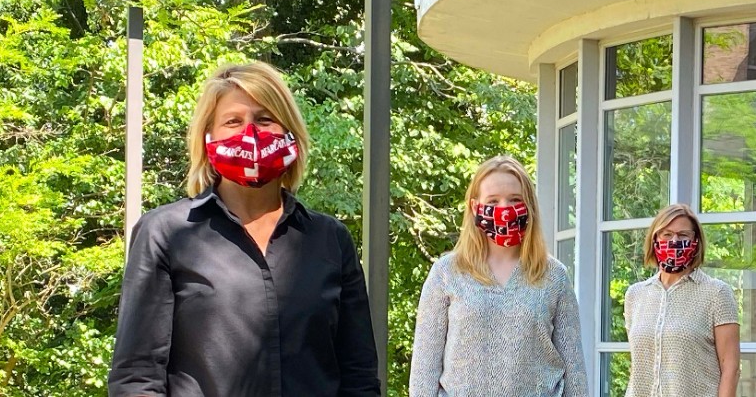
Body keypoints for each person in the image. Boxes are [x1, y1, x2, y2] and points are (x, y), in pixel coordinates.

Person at [108, 62, 380, 396]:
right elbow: (137, 377)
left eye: (265, 119)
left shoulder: (330, 241)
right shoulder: (165, 234)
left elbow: (359, 377)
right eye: (233, 121)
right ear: (208, 138)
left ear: (289, 131)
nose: (250, 132)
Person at [409, 156, 587, 397]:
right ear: (475, 208)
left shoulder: (554, 277)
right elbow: (423, 371)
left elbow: (575, 372)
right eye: (493, 201)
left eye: (514, 200)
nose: (504, 209)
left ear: (529, 207)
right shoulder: (447, 273)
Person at [623, 204, 740, 397]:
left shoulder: (717, 293)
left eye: (683, 235)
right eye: (667, 235)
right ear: (655, 240)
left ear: (696, 242)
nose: (675, 241)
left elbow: (731, 368)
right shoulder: (635, 295)